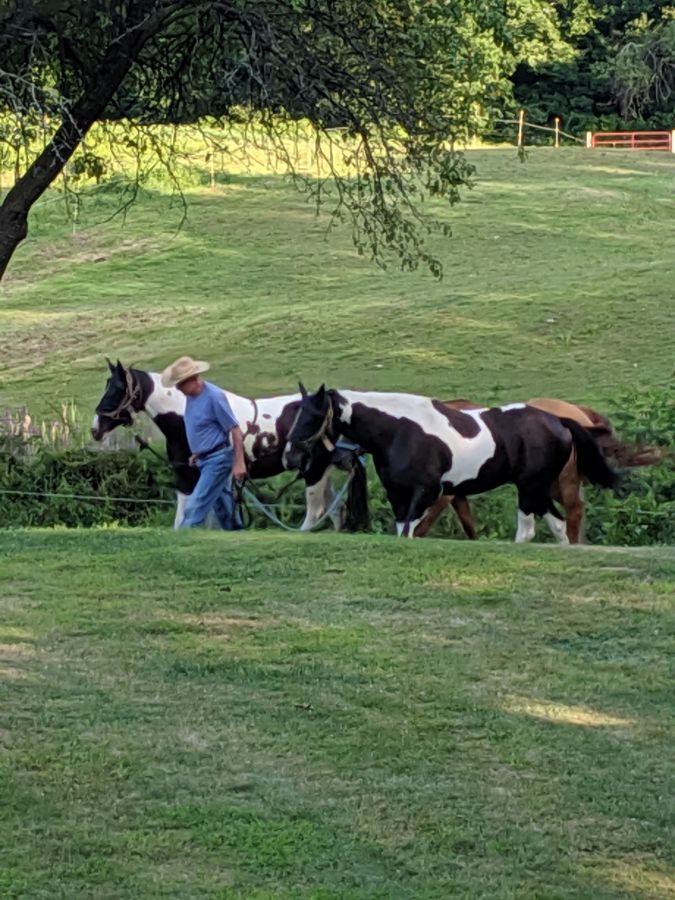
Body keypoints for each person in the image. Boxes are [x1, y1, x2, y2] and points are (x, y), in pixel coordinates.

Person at [161, 356, 247, 530]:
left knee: (194, 508)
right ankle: (238, 539)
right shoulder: (191, 397)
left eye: (180, 383)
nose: (178, 388)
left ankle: (180, 545)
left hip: (218, 461)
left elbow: (235, 430)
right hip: (204, 459)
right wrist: (198, 453)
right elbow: (204, 428)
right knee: (224, 510)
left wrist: (239, 463)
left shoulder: (214, 397)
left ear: (193, 379)